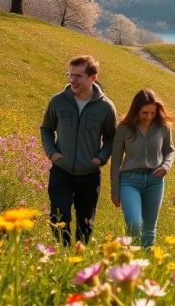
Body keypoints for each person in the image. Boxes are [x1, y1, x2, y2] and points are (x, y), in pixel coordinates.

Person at [40, 54, 117, 245]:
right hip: (61, 171)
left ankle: (78, 259)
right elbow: (46, 129)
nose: (72, 80)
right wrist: (52, 152)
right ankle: (62, 256)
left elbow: (111, 138)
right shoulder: (57, 101)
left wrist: (101, 158)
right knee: (58, 217)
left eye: (78, 76)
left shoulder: (106, 107)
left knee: (85, 224)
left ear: (93, 78)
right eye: (70, 74)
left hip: (89, 175)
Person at [110, 89, 175, 248]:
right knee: (134, 224)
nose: (149, 117)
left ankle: (146, 264)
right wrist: (114, 190)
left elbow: (170, 150)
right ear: (136, 111)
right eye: (144, 113)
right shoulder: (124, 128)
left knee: (149, 229)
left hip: (155, 181)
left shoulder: (163, 126)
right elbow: (116, 160)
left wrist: (166, 166)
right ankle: (132, 259)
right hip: (129, 181)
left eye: (152, 112)